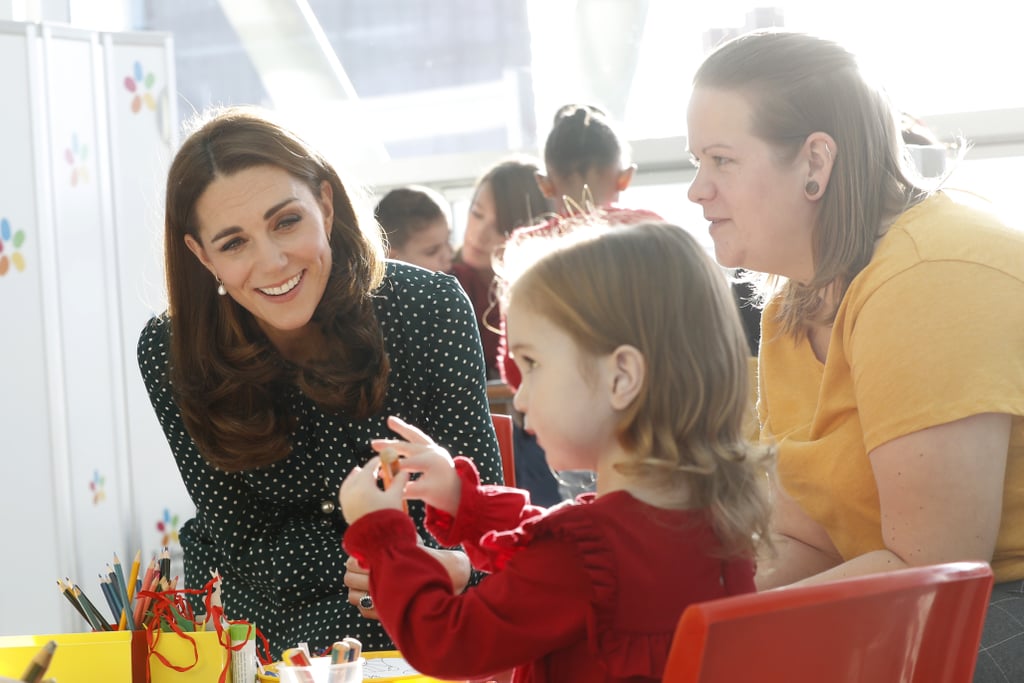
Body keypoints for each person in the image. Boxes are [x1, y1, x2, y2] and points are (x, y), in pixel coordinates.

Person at [685, 30, 1024, 682]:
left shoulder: (929, 275)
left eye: (721, 160)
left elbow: (934, 572)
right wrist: (679, 615)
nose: (698, 189)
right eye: (697, 161)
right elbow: (809, 537)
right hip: (930, 584)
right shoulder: (794, 302)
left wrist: (718, 636)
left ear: (815, 160)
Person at [136, 106, 503, 659]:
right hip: (266, 632)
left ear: (325, 206)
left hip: (426, 615)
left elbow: (483, 518)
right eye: (233, 243)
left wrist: (432, 565)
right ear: (201, 255)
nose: (273, 261)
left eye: (286, 221)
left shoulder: (431, 308)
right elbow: (245, 548)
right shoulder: (170, 352)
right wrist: (389, 552)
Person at [338, 221, 774, 683]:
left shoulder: (584, 555)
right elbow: (553, 562)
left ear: (622, 377)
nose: (519, 397)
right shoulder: (707, 519)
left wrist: (382, 535)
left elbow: (447, 643)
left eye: (532, 364)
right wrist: (462, 500)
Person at [497, 104, 661, 506]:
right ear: (625, 177)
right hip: (654, 417)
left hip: (567, 423)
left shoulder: (528, 249)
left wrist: (537, 398)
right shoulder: (653, 233)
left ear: (544, 183)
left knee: (584, 518)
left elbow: (514, 357)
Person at [451, 156, 552, 379]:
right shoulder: (445, 281)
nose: (479, 235)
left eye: (500, 227)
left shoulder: (545, 294)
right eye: (477, 214)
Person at [374, 185, 454, 272]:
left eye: (448, 241)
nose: (448, 255)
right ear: (393, 259)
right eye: (432, 251)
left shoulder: (462, 276)